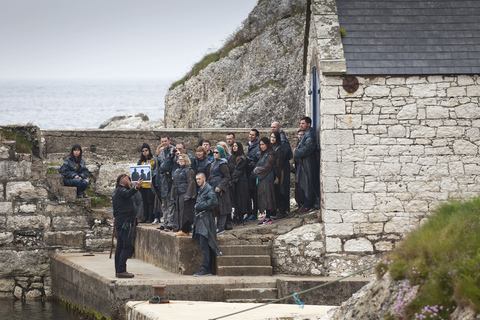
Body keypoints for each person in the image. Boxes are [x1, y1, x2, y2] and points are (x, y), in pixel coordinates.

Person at [112, 174, 144, 278]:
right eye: (128, 181)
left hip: (120, 221)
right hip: (125, 222)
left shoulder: (116, 191)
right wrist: (137, 187)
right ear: (123, 182)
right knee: (127, 246)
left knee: (120, 246)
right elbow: (129, 193)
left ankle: (118, 270)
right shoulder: (121, 191)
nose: (130, 183)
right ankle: (121, 270)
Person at [192, 172, 221, 276]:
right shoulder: (202, 189)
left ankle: (206, 269)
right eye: (196, 179)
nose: (198, 181)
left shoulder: (209, 189)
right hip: (201, 219)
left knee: (205, 244)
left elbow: (213, 202)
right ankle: (206, 268)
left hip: (206, 218)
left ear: (204, 179)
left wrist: (200, 206)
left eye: (199, 179)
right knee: (204, 244)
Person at [293, 117, 319, 213]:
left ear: (308, 124)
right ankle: (304, 204)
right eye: (300, 123)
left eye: (303, 123)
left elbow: (308, 148)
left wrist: (296, 152)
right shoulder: (306, 135)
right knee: (303, 184)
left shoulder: (310, 135)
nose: (301, 125)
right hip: (303, 163)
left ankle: (308, 205)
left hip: (308, 163)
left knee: (308, 184)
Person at [206, 146, 231, 233]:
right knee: (216, 207)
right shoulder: (213, 163)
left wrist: (220, 186)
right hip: (212, 187)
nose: (215, 154)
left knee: (222, 207)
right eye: (214, 152)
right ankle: (217, 226)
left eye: (217, 152)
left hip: (220, 187)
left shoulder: (222, 163)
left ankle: (221, 226)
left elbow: (227, 177)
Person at [271, 121, 293, 216]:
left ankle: (282, 209)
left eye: (274, 127)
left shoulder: (282, 140)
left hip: (282, 167)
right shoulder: (276, 140)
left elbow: (284, 155)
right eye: (271, 127)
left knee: (282, 188)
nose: (272, 129)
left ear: (279, 127)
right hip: (278, 167)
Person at [171, 154, 197, 235]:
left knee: (184, 212)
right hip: (177, 193)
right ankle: (179, 227)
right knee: (178, 211)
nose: (181, 161)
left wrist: (188, 194)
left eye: (182, 159)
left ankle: (185, 228)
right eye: (179, 160)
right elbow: (173, 184)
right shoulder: (176, 171)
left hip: (184, 193)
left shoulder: (189, 170)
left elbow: (191, 183)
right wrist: (172, 195)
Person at [155, 135, 177, 231]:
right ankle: (165, 222)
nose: (164, 143)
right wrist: (157, 182)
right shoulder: (162, 153)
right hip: (163, 181)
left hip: (171, 180)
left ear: (169, 140)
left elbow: (165, 167)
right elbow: (160, 169)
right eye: (162, 141)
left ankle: (171, 223)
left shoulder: (173, 151)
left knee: (171, 203)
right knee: (164, 204)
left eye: (165, 141)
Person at [254, 137, 276, 225]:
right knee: (263, 197)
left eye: (263, 144)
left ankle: (268, 217)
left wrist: (257, 170)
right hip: (262, 180)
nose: (261, 146)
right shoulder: (263, 154)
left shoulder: (270, 155)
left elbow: (267, 167)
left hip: (267, 179)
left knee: (268, 198)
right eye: (260, 145)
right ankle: (266, 217)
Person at [230, 142, 250, 224]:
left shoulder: (241, 158)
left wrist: (233, 179)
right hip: (237, 180)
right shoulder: (234, 157)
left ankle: (240, 217)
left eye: (236, 146)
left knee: (241, 199)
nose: (234, 147)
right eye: (233, 146)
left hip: (241, 180)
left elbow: (238, 170)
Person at [137, 143, 156, 223]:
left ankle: (150, 217)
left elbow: (155, 170)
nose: (145, 152)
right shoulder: (140, 161)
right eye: (143, 151)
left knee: (150, 201)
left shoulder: (153, 159)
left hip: (150, 184)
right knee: (144, 201)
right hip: (142, 184)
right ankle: (145, 217)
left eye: (146, 150)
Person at [245, 129, 260, 221]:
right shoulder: (248, 146)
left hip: (253, 172)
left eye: (253, 135)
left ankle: (254, 213)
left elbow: (258, 159)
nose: (250, 136)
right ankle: (249, 212)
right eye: (250, 134)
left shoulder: (258, 147)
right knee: (248, 194)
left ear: (256, 137)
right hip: (247, 172)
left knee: (254, 194)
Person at [270, 131, 283, 220]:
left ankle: (278, 210)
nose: (272, 139)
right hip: (271, 172)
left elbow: (279, 164)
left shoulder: (279, 149)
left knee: (276, 192)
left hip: (277, 172)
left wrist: (277, 176)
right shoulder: (271, 148)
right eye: (271, 137)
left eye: (274, 137)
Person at [292, 130, 305, 209]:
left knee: (301, 187)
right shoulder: (298, 144)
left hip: (302, 168)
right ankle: (299, 203)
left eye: (302, 135)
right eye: (299, 135)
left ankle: (302, 204)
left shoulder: (302, 145)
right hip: (297, 167)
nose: (300, 136)